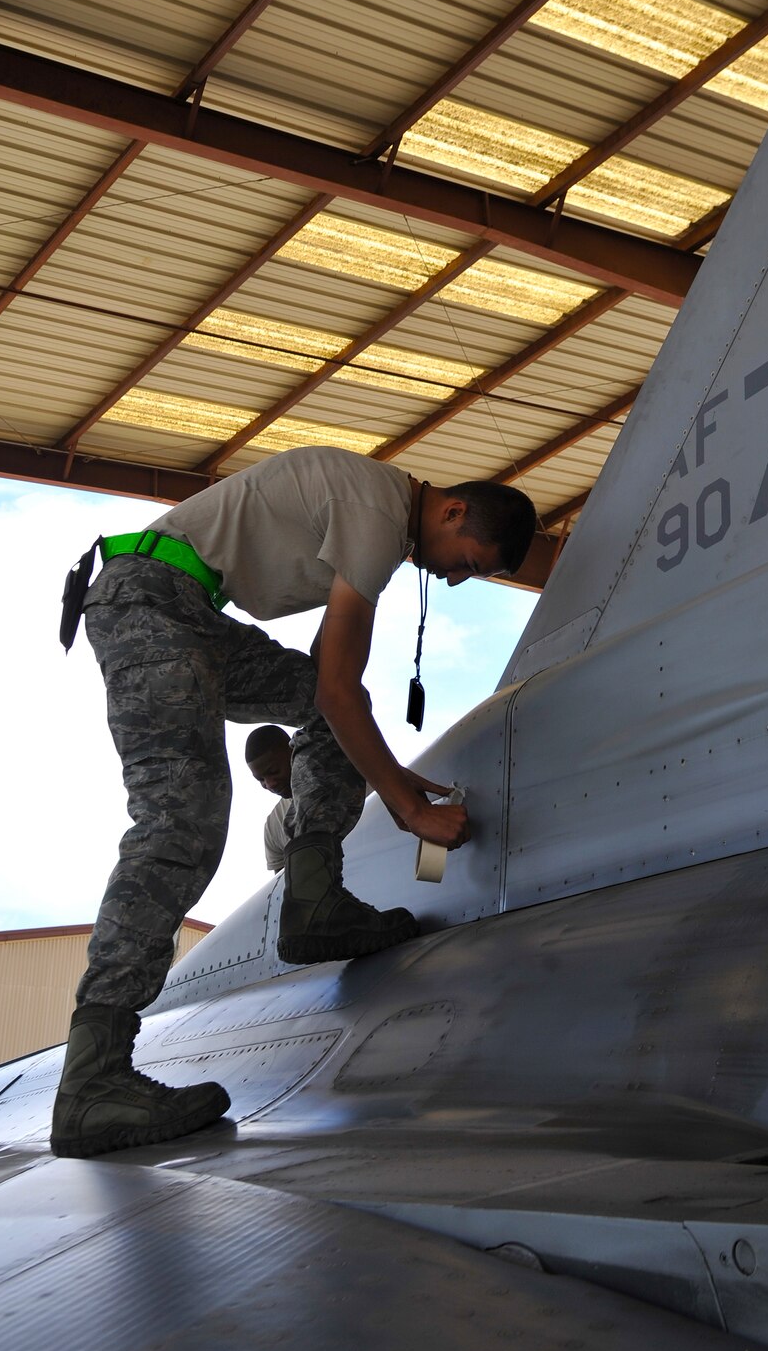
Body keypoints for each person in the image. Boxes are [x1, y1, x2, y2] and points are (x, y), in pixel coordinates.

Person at [51, 449, 536, 1159]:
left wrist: (394, 773)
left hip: (181, 605)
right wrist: (408, 809)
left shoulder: (379, 515)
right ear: (454, 511)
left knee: (319, 706)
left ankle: (314, 902)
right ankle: (93, 1080)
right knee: (179, 818)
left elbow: (334, 697)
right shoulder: (377, 517)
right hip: (150, 602)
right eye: (467, 561)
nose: (455, 577)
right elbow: (342, 689)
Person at [246, 723, 296, 871]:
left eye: (273, 771)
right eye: (260, 779)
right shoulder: (273, 827)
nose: (270, 784)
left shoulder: (349, 781)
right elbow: (282, 887)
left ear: (293, 752)